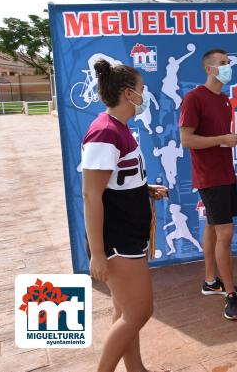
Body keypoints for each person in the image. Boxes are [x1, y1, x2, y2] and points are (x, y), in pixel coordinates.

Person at [81, 59, 168, 372]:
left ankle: (136, 369)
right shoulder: (105, 133)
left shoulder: (118, 130)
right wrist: (98, 254)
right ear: (129, 94)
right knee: (139, 312)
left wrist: (144, 188)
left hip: (128, 235)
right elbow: (91, 195)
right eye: (143, 90)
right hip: (117, 240)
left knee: (125, 311)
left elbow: (116, 181)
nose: (145, 95)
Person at [179, 48, 237, 320]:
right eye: (222, 63)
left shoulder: (224, 100)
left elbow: (217, 136)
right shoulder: (194, 98)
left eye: (228, 62)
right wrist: (222, 139)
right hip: (209, 176)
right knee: (225, 234)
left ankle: (211, 281)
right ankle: (230, 293)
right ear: (209, 69)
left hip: (225, 172)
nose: (228, 66)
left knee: (213, 228)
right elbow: (187, 139)